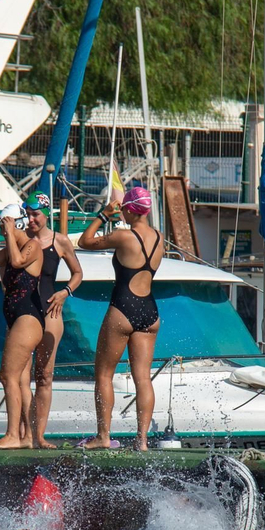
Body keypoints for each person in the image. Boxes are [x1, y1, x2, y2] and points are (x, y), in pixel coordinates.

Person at [78, 185, 164, 450]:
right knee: (143, 377)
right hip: (150, 311)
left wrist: (104, 215)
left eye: (124, 209)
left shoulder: (125, 237)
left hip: (123, 308)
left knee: (104, 373)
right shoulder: (159, 237)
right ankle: (143, 440)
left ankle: (103, 437)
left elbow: (85, 241)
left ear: (129, 209)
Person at [0, 200, 49, 448]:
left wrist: (11, 233)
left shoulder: (32, 245)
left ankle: (13, 435)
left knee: (8, 376)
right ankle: (27, 437)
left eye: (6, 224)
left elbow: (15, 262)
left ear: (17, 223)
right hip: (15, 318)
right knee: (21, 381)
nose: (3, 230)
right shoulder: (9, 247)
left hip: (28, 316)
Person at [23, 194, 83, 447]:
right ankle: (22, 435)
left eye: (35, 214)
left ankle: (39, 435)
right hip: (24, 312)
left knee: (44, 376)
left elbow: (78, 273)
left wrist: (65, 292)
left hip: (50, 312)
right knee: (20, 377)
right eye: (28, 213)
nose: (31, 219)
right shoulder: (21, 238)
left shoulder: (60, 241)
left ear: (46, 214)